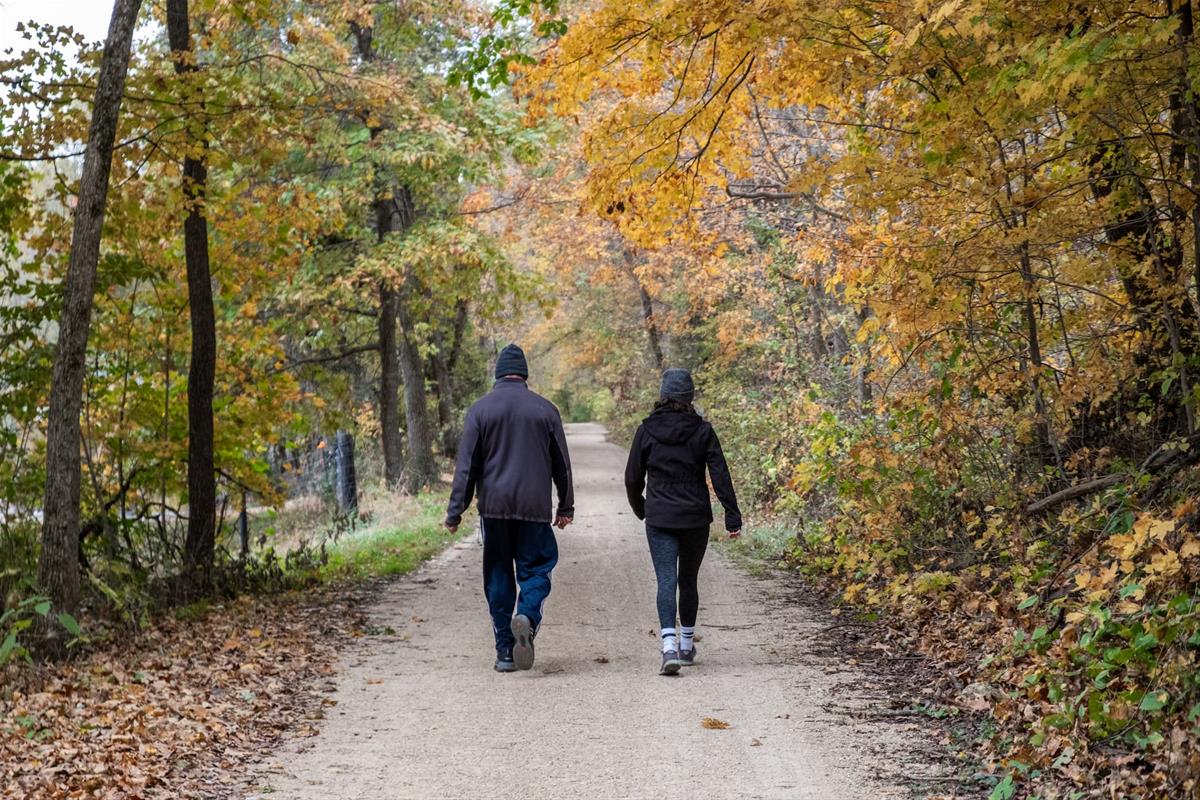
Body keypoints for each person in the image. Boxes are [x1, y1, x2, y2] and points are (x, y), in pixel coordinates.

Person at [445, 343, 574, 673]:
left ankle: (505, 650)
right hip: (534, 508)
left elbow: (467, 467)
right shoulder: (546, 410)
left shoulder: (480, 410)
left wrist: (455, 511)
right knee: (537, 568)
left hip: (494, 509)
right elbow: (562, 465)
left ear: (498, 374)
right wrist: (566, 506)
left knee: (498, 574)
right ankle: (527, 615)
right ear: (524, 375)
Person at [625, 368, 742, 675]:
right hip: (694, 518)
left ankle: (668, 648)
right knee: (688, 580)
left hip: (660, 518)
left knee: (666, 581)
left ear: (663, 395)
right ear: (690, 397)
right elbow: (720, 474)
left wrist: (642, 508)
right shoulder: (703, 431)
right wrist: (732, 515)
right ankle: (686, 647)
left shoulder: (647, 430)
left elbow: (632, 478)